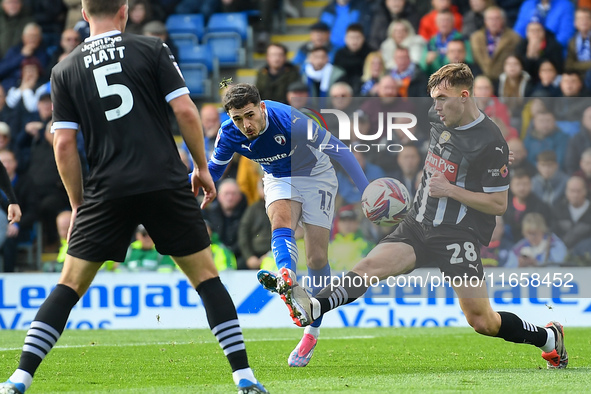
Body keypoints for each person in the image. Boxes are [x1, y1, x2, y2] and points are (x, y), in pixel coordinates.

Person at [0, 2, 267, 394]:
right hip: (164, 180)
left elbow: (64, 145)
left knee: (68, 286)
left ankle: (18, 378)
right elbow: (186, 112)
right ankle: (244, 377)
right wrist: (202, 167)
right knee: (207, 279)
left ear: (85, 14)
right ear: (124, 11)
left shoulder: (64, 69)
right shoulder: (152, 49)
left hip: (107, 189)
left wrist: (78, 204)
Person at [274, 63, 568, 370]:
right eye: (432, 98)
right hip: (418, 224)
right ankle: (314, 305)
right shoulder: (436, 114)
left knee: (483, 321)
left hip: (457, 235)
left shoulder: (491, 142)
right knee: (370, 266)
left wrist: (450, 190)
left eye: (442, 98)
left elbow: (497, 204)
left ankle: (548, 338)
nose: (435, 106)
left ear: (464, 96)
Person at [208, 82, 368, 367]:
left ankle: (312, 332)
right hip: (278, 177)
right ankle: (287, 276)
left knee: (317, 257)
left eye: (250, 115)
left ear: (261, 107)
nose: (246, 124)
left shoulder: (291, 120)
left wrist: (366, 189)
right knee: (280, 221)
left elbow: (341, 151)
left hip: (316, 173)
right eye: (237, 118)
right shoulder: (229, 133)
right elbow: (215, 171)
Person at [470, 6, 521, 83]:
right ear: (485, 21)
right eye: (490, 19)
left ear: (503, 20)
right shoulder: (475, 38)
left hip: (504, 80)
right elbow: (474, 62)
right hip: (481, 80)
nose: (493, 22)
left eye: (497, 18)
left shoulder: (514, 38)